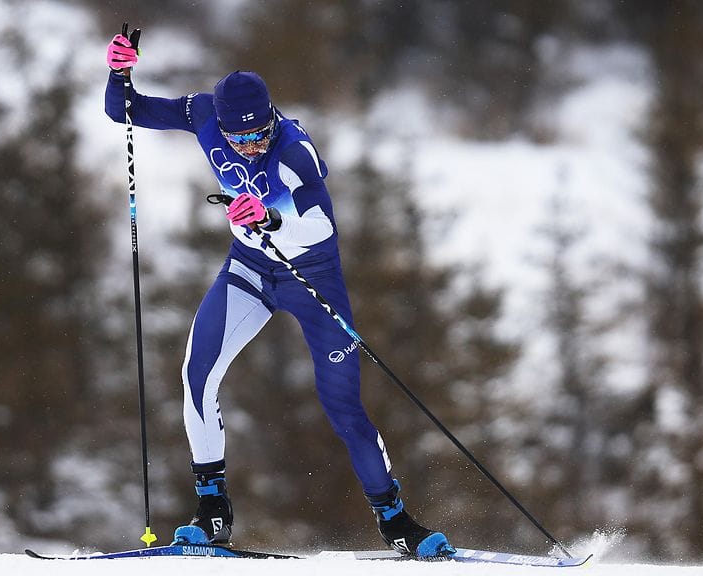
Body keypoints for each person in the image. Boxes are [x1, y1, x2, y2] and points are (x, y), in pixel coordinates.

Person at [104, 32, 454, 559]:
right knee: (197, 375)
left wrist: (270, 217)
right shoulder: (203, 113)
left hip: (312, 278)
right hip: (248, 269)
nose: (250, 146)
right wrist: (119, 73)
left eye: (259, 134)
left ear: (272, 119)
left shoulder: (294, 150)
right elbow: (125, 111)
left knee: (343, 406)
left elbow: (321, 225)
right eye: (238, 139)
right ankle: (213, 509)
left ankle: (394, 519)